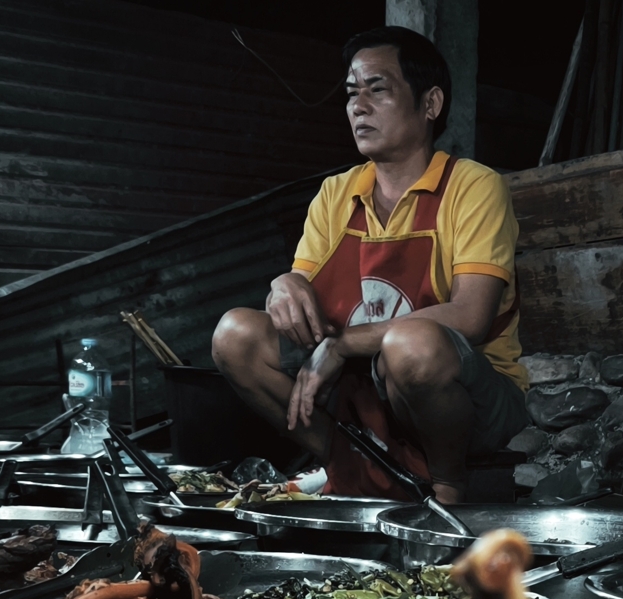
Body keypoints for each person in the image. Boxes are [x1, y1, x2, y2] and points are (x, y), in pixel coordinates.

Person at [211, 26, 530, 503]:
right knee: (234, 334)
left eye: (377, 90)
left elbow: (470, 316)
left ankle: (448, 490)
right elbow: (304, 288)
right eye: (351, 93)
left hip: (471, 399)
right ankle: (352, 463)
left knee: (411, 344)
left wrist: (342, 345)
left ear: (430, 103)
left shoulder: (473, 186)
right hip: (364, 389)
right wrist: (285, 284)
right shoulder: (337, 192)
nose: (358, 106)